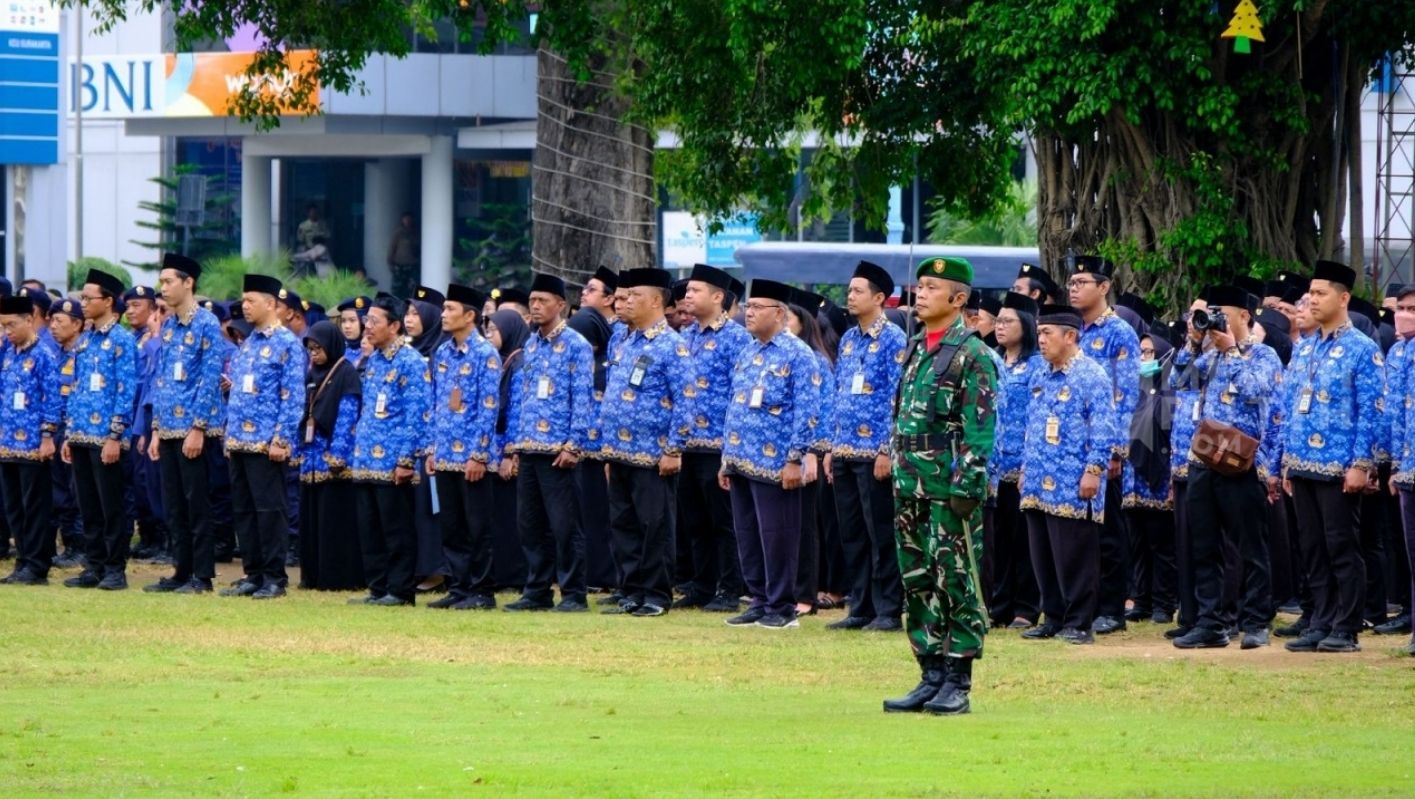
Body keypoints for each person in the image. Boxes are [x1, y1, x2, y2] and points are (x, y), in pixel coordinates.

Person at [880, 256, 996, 717]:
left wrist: (967, 484)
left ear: (959, 299)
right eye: (920, 286)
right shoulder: (913, 349)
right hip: (910, 482)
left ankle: (957, 679)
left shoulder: (973, 354)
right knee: (917, 578)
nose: (920, 294)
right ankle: (929, 673)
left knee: (957, 579)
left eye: (932, 287)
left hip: (949, 488)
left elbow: (979, 429)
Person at [1280, 261, 1383, 653]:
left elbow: (1371, 410)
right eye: (1311, 294)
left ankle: (1347, 626)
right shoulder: (1304, 349)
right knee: (1313, 548)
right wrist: (1287, 462)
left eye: (1321, 294)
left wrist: (1361, 463)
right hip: (1302, 462)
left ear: (1343, 298)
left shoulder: (1363, 349)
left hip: (1339, 465)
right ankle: (1320, 620)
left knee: (1341, 546)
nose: (1313, 300)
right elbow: (1291, 406)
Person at [1171, 285, 1282, 650]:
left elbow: (1255, 390)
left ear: (1244, 317)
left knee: (1250, 546)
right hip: (1205, 460)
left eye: (1223, 315)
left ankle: (1255, 622)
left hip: (1242, 463)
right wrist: (1193, 341)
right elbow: (1178, 382)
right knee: (1205, 546)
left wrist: (1231, 349)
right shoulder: (1210, 356)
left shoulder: (1263, 355)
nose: (1216, 321)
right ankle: (1210, 623)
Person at [718, 279, 821, 630]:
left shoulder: (798, 354)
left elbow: (808, 411)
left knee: (778, 535)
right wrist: (726, 457)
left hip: (776, 461)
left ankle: (782, 605)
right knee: (747, 534)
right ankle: (759, 599)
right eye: (748, 305)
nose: (749, 312)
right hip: (742, 458)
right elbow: (735, 405)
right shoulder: (748, 351)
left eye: (758, 307)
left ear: (779, 313)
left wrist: (795, 458)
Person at [593, 268, 693, 617]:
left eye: (634, 295)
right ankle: (631, 590)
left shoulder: (672, 345)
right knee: (623, 524)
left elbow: (686, 400)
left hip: (654, 453)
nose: (626, 301)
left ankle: (656, 595)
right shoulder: (621, 338)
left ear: (655, 301)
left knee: (655, 526)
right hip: (619, 450)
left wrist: (674, 448)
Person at [1019, 304, 1116, 646]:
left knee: (1074, 553)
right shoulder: (1040, 373)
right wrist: (1026, 468)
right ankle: (1053, 615)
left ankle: (1079, 621)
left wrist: (1094, 471)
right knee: (1042, 553)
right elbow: (1032, 424)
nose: (1040, 339)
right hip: (1037, 477)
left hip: (1073, 479)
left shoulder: (1091, 374)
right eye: (1040, 332)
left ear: (1070, 336)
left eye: (1047, 333)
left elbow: (1104, 428)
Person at [503, 274, 596, 612]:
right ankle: (537, 591)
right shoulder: (529, 345)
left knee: (565, 525)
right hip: (529, 447)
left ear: (561, 304)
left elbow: (583, 399)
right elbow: (520, 398)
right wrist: (513, 447)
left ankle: (573, 593)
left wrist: (574, 445)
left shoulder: (576, 344)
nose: (536, 306)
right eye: (532, 301)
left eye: (543, 301)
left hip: (558, 450)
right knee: (530, 525)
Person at [826, 260, 908, 632]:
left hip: (873, 451)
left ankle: (888, 608)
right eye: (850, 289)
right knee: (852, 534)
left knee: (880, 533)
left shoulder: (892, 338)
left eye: (858, 290)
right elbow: (839, 392)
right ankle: (860, 606)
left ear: (879, 298)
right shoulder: (847, 339)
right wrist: (830, 446)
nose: (850, 295)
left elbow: (898, 398)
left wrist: (886, 449)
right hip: (844, 448)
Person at [143, 254, 226, 595]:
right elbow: (162, 379)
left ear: (188, 282)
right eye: (161, 282)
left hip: (194, 428)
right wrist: (156, 430)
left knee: (196, 502)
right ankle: (181, 569)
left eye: (168, 281)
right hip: (169, 427)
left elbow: (209, 380)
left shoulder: (205, 323)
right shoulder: (170, 325)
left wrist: (198, 428)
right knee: (173, 503)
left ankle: (201, 576)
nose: (163, 288)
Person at [1066, 255, 1140, 635]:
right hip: (1070, 448)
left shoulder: (1119, 333)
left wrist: (1114, 451)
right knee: (1080, 531)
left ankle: (1113, 607)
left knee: (1109, 530)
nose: (1073, 288)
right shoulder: (1072, 329)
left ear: (1104, 287)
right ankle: (1084, 603)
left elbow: (1124, 397)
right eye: (1072, 282)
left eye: (1082, 282)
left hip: (1103, 448)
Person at [221, 275, 305, 600]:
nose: (245, 306)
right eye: (243, 300)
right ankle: (253, 573)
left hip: (266, 443)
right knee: (243, 510)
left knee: (270, 510)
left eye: (251, 300)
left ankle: (274, 576)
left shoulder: (287, 344)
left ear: (271, 304)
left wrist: (281, 439)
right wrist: (229, 433)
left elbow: (293, 396)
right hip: (239, 440)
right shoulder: (248, 344)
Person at [344, 293, 432, 607]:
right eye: (367, 321)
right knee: (370, 530)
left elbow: (417, 414)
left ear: (394, 326)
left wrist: (406, 460)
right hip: (366, 458)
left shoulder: (409, 361)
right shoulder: (374, 360)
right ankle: (378, 588)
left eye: (375, 322)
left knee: (397, 530)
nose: (368, 327)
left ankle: (400, 590)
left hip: (394, 461)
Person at [675, 264, 751, 613]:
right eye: (687, 291)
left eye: (695, 291)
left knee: (723, 522)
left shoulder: (737, 339)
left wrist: (733, 448)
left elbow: (742, 394)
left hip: (719, 445)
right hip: (687, 445)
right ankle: (701, 584)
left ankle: (729, 587)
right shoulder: (686, 336)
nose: (687, 296)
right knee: (694, 520)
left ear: (718, 297)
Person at [61, 269, 138, 591]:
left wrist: (115, 436)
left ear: (107, 301)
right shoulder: (86, 340)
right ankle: (93, 565)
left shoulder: (121, 340)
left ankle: (114, 569)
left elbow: (126, 390)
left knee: (111, 506)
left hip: (106, 437)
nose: (83, 303)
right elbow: (77, 387)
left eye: (88, 298)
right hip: (81, 434)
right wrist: (69, 433)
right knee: (88, 505)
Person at [426, 284, 501, 610]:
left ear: (469, 315)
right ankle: (458, 587)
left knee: (478, 525)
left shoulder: (486, 354)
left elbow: (489, 408)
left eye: (450, 309)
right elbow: (435, 403)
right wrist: (431, 448)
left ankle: (481, 591)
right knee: (452, 525)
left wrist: (479, 454)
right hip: (444, 454)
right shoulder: (442, 353)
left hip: (472, 456)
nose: (444, 315)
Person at [984, 291, 1045, 629]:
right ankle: (999, 604)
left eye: (1008, 321)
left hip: (1022, 465)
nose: (1000, 326)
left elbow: (1037, 417)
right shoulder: (991, 360)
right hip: (994, 466)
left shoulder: (1037, 365)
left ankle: (1026, 607)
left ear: (1027, 325)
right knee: (998, 541)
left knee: (1024, 541)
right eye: (999, 321)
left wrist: (1028, 465)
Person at [295, 321, 364, 590]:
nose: (313, 353)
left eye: (318, 348)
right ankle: (311, 576)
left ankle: (336, 578)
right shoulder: (312, 373)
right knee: (311, 519)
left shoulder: (346, 372)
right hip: (310, 460)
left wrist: (337, 455)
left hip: (333, 462)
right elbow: (303, 411)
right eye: (310, 348)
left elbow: (348, 416)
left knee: (333, 522)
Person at [0, 294, 61, 585]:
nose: (7, 331)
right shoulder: (9, 353)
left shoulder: (44, 355)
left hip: (34, 444)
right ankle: (23, 560)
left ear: (29, 320)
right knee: (14, 507)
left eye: (11, 325)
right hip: (8, 442)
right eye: (3, 326)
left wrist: (48, 436)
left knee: (34, 506)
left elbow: (52, 399)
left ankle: (37, 565)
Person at [568, 266, 620, 595]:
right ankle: (593, 574)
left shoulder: (619, 339)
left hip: (611, 445)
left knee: (612, 514)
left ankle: (613, 577)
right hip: (584, 442)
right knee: (588, 512)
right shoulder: (587, 335)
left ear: (611, 298)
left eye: (591, 290)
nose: (583, 296)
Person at [1122, 331, 1178, 627]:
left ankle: (1164, 602)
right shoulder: (1135, 389)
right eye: (1141, 352)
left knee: (1161, 544)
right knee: (1137, 543)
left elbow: (1171, 434)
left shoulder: (1172, 390)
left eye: (1149, 352)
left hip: (1158, 477)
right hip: (1132, 479)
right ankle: (1141, 599)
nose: (1144, 358)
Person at [488, 309, 531, 591]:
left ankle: (514, 577)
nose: (489, 335)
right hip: (497, 450)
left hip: (509, 454)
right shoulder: (502, 362)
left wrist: (508, 454)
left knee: (511, 519)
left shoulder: (519, 364)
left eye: (494, 329)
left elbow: (516, 413)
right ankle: (502, 574)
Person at [47, 299, 86, 568]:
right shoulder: (56, 354)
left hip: (78, 429)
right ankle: (69, 542)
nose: (53, 327)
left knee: (78, 490)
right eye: (51, 321)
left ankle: (81, 545)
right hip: (57, 428)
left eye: (59, 322)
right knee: (59, 490)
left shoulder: (84, 354)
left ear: (77, 324)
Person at [1388, 286, 1415, 656]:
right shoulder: (1400, 352)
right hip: (1409, 468)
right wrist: (1395, 466)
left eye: (1413, 309)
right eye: (1403, 308)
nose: (1406, 314)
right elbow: (1396, 415)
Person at [387, 212, 420, 299]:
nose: (407, 221)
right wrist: (390, 263)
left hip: (412, 265)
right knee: (397, 290)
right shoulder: (398, 233)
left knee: (412, 289)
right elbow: (391, 248)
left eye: (409, 219)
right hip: (399, 266)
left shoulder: (415, 233)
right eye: (405, 219)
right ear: (402, 220)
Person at [337, 296, 371, 369]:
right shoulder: (338, 350)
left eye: (352, 320)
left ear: (364, 322)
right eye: (343, 321)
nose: (347, 326)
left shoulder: (373, 351)